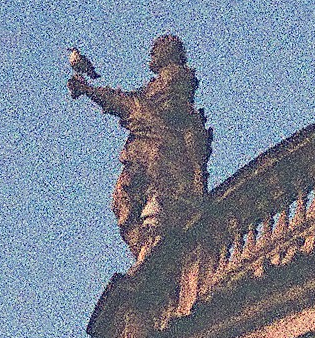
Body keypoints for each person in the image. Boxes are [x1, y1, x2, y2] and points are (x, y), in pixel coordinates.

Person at [68, 34, 212, 262]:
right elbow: (131, 102)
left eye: (158, 48)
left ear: (171, 53)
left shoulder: (173, 83)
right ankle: (147, 252)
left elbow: (135, 108)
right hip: (145, 155)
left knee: (151, 206)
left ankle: (153, 254)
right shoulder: (157, 87)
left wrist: (90, 90)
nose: (151, 53)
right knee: (125, 202)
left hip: (160, 155)